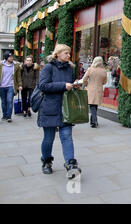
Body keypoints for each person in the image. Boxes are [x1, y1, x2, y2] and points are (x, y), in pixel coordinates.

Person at [37, 44, 82, 178]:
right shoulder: (48, 67)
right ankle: (46, 161)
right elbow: (42, 86)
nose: (69, 55)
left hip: (66, 108)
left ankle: (71, 165)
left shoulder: (70, 68)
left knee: (67, 136)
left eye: (69, 53)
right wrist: (63, 85)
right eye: (66, 53)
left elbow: (68, 86)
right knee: (48, 138)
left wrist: (74, 86)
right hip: (50, 108)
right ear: (57, 54)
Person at [82, 56, 107, 128]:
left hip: (91, 88)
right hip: (99, 89)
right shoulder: (103, 70)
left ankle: (94, 120)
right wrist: (100, 83)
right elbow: (105, 81)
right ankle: (93, 121)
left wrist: (87, 84)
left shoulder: (90, 69)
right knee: (95, 105)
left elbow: (84, 79)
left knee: (92, 105)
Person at [0, 52, 22, 123]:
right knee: (3, 102)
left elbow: (18, 76)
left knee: (9, 101)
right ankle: (4, 115)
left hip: (11, 86)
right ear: (6, 58)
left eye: (12, 57)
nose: (12, 58)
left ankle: (9, 116)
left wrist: (20, 85)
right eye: (10, 57)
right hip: (2, 86)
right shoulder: (1, 65)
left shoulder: (16, 66)